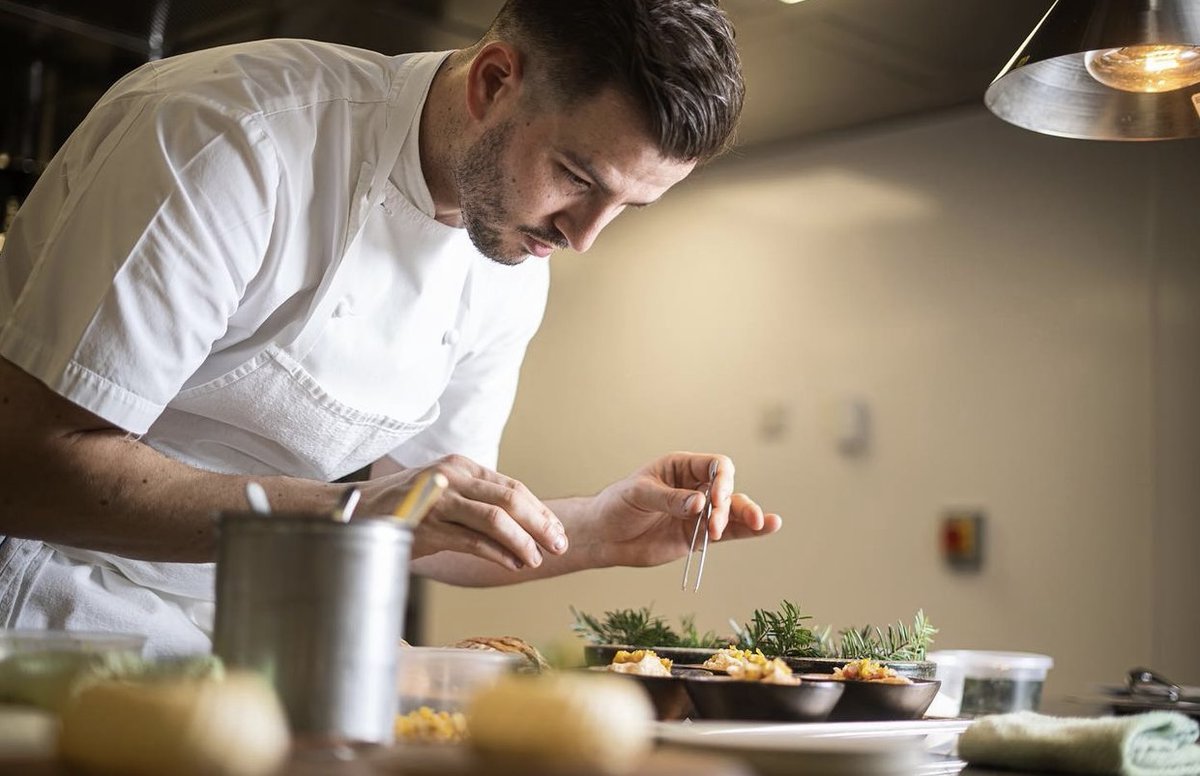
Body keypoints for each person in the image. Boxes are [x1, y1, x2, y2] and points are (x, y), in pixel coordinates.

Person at [0, 0, 781, 656]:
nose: (583, 237)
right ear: (494, 81)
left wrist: (600, 529)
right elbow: (25, 469)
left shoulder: (509, 259)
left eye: (628, 209)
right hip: (40, 613)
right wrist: (353, 512)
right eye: (578, 179)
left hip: (229, 637)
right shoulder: (235, 136)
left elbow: (432, 523)